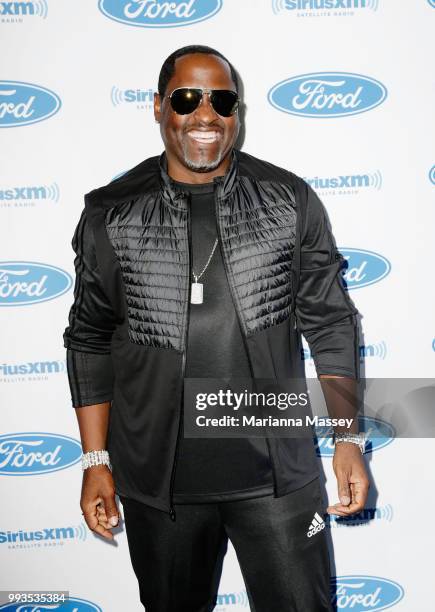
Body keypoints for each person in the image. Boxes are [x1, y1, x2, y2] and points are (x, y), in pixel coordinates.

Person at [63, 45, 369, 612]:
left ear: (238, 113)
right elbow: (88, 340)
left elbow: (331, 323)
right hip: (161, 490)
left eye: (222, 100)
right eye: (186, 98)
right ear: (159, 107)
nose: (205, 114)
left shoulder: (288, 200)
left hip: (281, 480)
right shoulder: (111, 213)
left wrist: (347, 438)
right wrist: (95, 461)